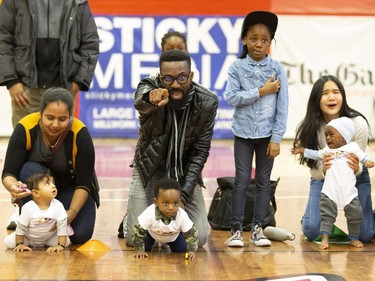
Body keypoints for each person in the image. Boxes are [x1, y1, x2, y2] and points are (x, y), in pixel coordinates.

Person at [0, 0, 100, 230]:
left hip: (64, 88)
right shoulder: (14, 2)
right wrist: (12, 81)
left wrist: (77, 83)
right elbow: (3, 38)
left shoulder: (78, 2)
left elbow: (90, 44)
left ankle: (60, 208)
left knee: (62, 155)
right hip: (25, 89)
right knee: (24, 157)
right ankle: (22, 211)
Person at [124, 49, 218, 247]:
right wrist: (152, 100)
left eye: (182, 77)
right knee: (134, 239)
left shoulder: (208, 102)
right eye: (168, 78)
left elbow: (200, 152)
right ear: (160, 77)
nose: (175, 84)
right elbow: (140, 102)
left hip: (183, 172)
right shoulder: (150, 89)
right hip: (150, 169)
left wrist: (182, 195)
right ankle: (133, 217)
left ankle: (152, 219)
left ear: (191, 76)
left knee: (199, 238)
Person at [2, 87, 100, 245]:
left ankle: (49, 228)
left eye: (62, 119)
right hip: (39, 191)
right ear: (40, 114)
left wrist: (71, 213)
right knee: (29, 170)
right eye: (49, 118)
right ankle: (32, 223)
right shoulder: (25, 127)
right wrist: (13, 186)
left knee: (80, 236)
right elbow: (8, 173)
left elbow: (84, 183)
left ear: (70, 117)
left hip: (71, 190)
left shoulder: (80, 133)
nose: (55, 124)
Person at [224, 11, 288, 247]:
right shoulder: (236, 68)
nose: (259, 43)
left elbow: (283, 106)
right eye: (253, 38)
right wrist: (261, 91)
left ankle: (258, 229)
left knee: (263, 181)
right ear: (244, 40)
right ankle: (236, 230)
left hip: (267, 136)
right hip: (242, 134)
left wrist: (277, 138)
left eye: (264, 39)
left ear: (270, 42)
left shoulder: (278, 69)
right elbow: (231, 97)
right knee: (241, 180)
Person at [293, 75, 375, 243]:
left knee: (366, 235)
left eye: (336, 92)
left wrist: (357, 168)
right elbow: (315, 170)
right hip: (325, 179)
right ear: (317, 99)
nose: (331, 97)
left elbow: (359, 161)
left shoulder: (358, 123)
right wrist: (323, 170)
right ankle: (310, 218)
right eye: (325, 93)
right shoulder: (311, 127)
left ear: (343, 96)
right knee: (311, 230)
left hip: (355, 178)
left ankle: (367, 218)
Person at [4, 171, 71, 252]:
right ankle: (22, 242)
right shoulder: (28, 207)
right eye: (47, 183)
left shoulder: (58, 205)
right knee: (9, 243)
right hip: (28, 238)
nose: (53, 186)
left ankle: (52, 243)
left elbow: (62, 226)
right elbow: (21, 227)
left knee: (66, 242)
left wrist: (60, 245)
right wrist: (19, 244)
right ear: (35, 193)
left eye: (53, 183)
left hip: (48, 238)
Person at [133, 178, 198, 260]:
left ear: (179, 201)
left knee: (181, 249)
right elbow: (137, 229)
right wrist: (139, 250)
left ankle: (171, 243)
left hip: (173, 237)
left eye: (175, 203)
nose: (171, 207)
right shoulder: (150, 212)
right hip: (152, 234)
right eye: (165, 203)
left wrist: (192, 251)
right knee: (145, 248)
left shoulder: (181, 215)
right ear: (156, 202)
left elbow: (191, 233)